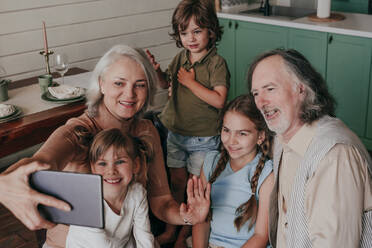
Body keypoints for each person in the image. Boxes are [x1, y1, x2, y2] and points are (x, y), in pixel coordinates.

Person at [0, 44, 210, 248]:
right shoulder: (77, 131)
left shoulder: (146, 130)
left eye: (140, 84)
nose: (130, 94)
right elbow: (39, 163)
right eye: (119, 83)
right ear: (101, 84)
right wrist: (4, 184)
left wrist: (187, 216)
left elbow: (161, 200)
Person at [247, 48, 372, 248]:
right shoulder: (283, 138)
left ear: (301, 89)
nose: (261, 102)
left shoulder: (334, 156)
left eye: (270, 89)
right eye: (256, 93)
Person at [146, 0, 230, 246]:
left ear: (211, 32)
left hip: (203, 138)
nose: (190, 38)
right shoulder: (180, 58)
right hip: (176, 134)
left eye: (197, 31)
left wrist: (191, 82)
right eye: (184, 33)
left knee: (197, 191)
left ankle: (187, 233)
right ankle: (174, 228)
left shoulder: (217, 63)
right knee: (176, 184)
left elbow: (219, 100)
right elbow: (165, 84)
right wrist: (158, 72)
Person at [192, 94, 274, 248]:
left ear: (260, 136)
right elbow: (201, 220)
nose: (231, 140)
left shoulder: (266, 173)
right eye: (226, 130)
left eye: (242, 133)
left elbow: (261, 236)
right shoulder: (211, 163)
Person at [66, 128, 155, 247]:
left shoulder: (137, 193)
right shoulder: (86, 203)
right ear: (93, 168)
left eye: (120, 162)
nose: (111, 171)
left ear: (135, 165)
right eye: (102, 163)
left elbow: (144, 237)